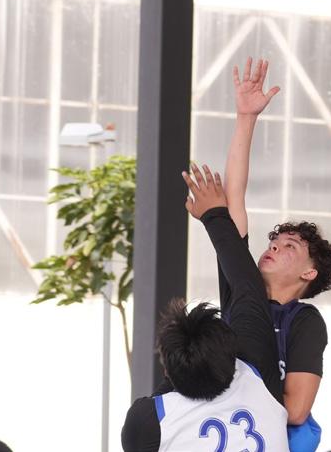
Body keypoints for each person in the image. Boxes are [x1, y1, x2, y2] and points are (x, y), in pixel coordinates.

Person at [121, 165, 288, 451]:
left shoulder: (149, 421)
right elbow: (248, 287)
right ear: (231, 351)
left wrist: (177, 364)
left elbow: (248, 289)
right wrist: (214, 214)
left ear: (167, 369)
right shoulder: (256, 372)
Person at [221, 58, 331, 443]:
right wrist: (245, 118)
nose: (274, 245)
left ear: (309, 272)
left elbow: (297, 409)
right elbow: (233, 199)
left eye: (290, 246)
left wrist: (231, 390)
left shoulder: (304, 322)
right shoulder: (241, 290)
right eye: (274, 241)